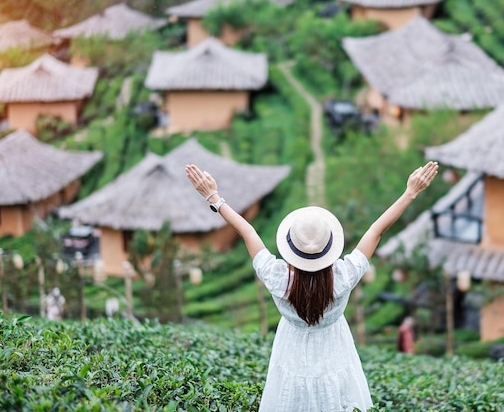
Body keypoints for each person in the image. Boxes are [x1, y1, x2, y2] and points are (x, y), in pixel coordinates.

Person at [185, 161, 438, 412]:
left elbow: (247, 232)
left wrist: (214, 197)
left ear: (291, 250)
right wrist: (410, 193)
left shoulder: (278, 278)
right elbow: (376, 231)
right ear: (328, 249)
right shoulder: (343, 276)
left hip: (290, 350)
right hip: (335, 349)